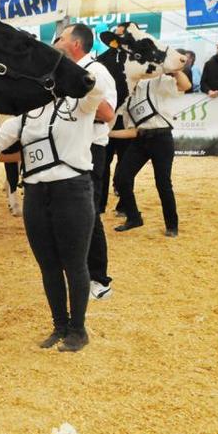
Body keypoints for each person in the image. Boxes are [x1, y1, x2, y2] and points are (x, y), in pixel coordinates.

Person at [0, 23, 111, 352]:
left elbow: (95, 94)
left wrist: (70, 69)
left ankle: (78, 330)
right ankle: (59, 325)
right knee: (48, 266)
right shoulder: (25, 116)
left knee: (74, 263)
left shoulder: (79, 105)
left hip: (73, 191)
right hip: (36, 195)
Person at [113, 69, 192, 237]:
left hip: (161, 139)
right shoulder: (126, 100)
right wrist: (106, 134)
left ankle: (172, 225)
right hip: (140, 139)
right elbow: (132, 131)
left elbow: (185, 85)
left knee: (163, 183)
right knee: (122, 178)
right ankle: (134, 218)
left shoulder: (155, 82)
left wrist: (176, 71)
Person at [87, 47, 118, 302]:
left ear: (75, 43)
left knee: (90, 213)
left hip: (91, 148)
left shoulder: (96, 71)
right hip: (73, 148)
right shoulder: (75, 70)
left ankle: (99, 279)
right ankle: (84, 274)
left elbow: (108, 113)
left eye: (61, 38)